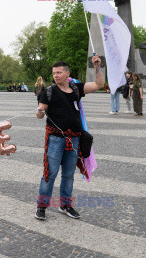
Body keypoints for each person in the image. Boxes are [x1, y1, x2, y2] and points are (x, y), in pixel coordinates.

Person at [35, 56, 103, 221]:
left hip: (74, 140)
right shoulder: (48, 92)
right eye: (54, 73)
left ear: (67, 73)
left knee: (68, 175)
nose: (56, 75)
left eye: (59, 72)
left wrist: (97, 67)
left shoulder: (76, 89)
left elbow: (99, 85)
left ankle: (65, 205)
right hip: (56, 140)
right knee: (49, 174)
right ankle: (41, 206)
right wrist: (40, 112)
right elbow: (39, 112)